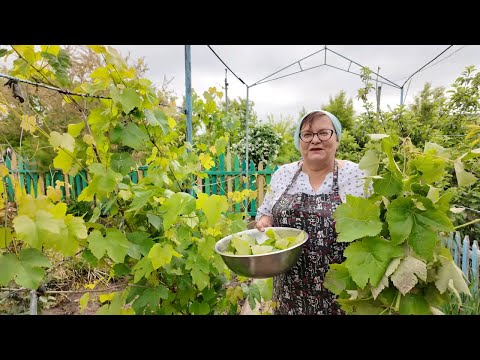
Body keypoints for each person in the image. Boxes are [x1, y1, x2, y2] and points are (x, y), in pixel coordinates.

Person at [255, 109, 370, 315]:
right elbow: (266, 213)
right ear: (299, 141)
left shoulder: (356, 175)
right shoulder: (283, 174)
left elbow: (373, 226)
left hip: (342, 290)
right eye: (307, 134)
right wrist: (265, 222)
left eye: (324, 132)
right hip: (289, 292)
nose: (315, 140)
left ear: (337, 139)